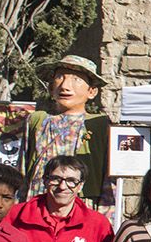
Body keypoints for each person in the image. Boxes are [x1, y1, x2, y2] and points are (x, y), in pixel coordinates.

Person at [19, 54, 110, 200]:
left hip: (81, 204)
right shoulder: (37, 120)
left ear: (92, 91)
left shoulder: (99, 124)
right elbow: (22, 169)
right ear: (50, 87)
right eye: (60, 77)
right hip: (38, 202)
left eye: (76, 80)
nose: (65, 86)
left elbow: (108, 176)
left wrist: (106, 213)